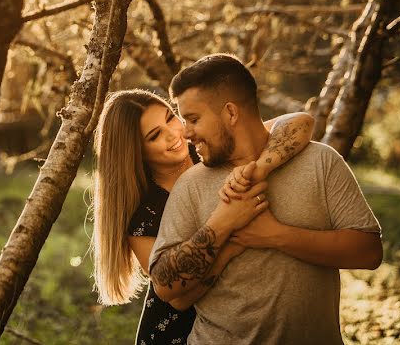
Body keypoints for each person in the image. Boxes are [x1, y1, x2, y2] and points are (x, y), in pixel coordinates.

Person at [148, 54, 382, 344]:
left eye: (193, 119)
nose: (185, 132)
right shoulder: (191, 185)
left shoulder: (320, 161)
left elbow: (369, 252)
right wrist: (224, 227)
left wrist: (274, 236)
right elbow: (164, 286)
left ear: (231, 113)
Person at [91, 88, 314, 345]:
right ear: (136, 152)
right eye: (155, 136)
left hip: (249, 322)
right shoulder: (144, 216)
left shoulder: (212, 151)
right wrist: (230, 235)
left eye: (170, 118)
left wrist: (258, 169)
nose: (174, 134)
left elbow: (300, 122)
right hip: (179, 335)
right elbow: (179, 297)